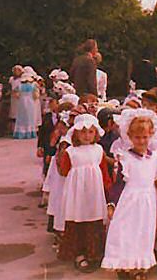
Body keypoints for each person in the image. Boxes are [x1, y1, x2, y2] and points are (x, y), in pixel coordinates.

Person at [102, 112, 157, 280]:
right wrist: (112, 203)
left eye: (144, 137)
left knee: (143, 234)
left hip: (147, 202)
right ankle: (124, 265)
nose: (141, 141)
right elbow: (119, 183)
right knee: (126, 233)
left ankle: (139, 267)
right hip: (129, 202)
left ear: (150, 135)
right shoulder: (125, 158)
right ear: (129, 136)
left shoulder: (156, 157)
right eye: (137, 137)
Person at [57, 114, 111, 272]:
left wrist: (108, 189)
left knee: (94, 219)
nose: (87, 136)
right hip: (77, 193)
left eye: (90, 132)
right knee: (78, 218)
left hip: (94, 193)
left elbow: (104, 171)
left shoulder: (98, 150)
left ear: (96, 133)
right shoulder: (71, 152)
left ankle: (94, 252)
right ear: (75, 134)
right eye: (83, 132)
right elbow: (65, 171)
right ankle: (79, 253)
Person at [15, 69, 40, 139]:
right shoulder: (33, 86)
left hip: (22, 102)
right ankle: (30, 132)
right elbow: (36, 96)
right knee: (30, 117)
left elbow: (16, 95)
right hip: (30, 102)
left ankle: (20, 133)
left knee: (21, 117)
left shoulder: (19, 86)